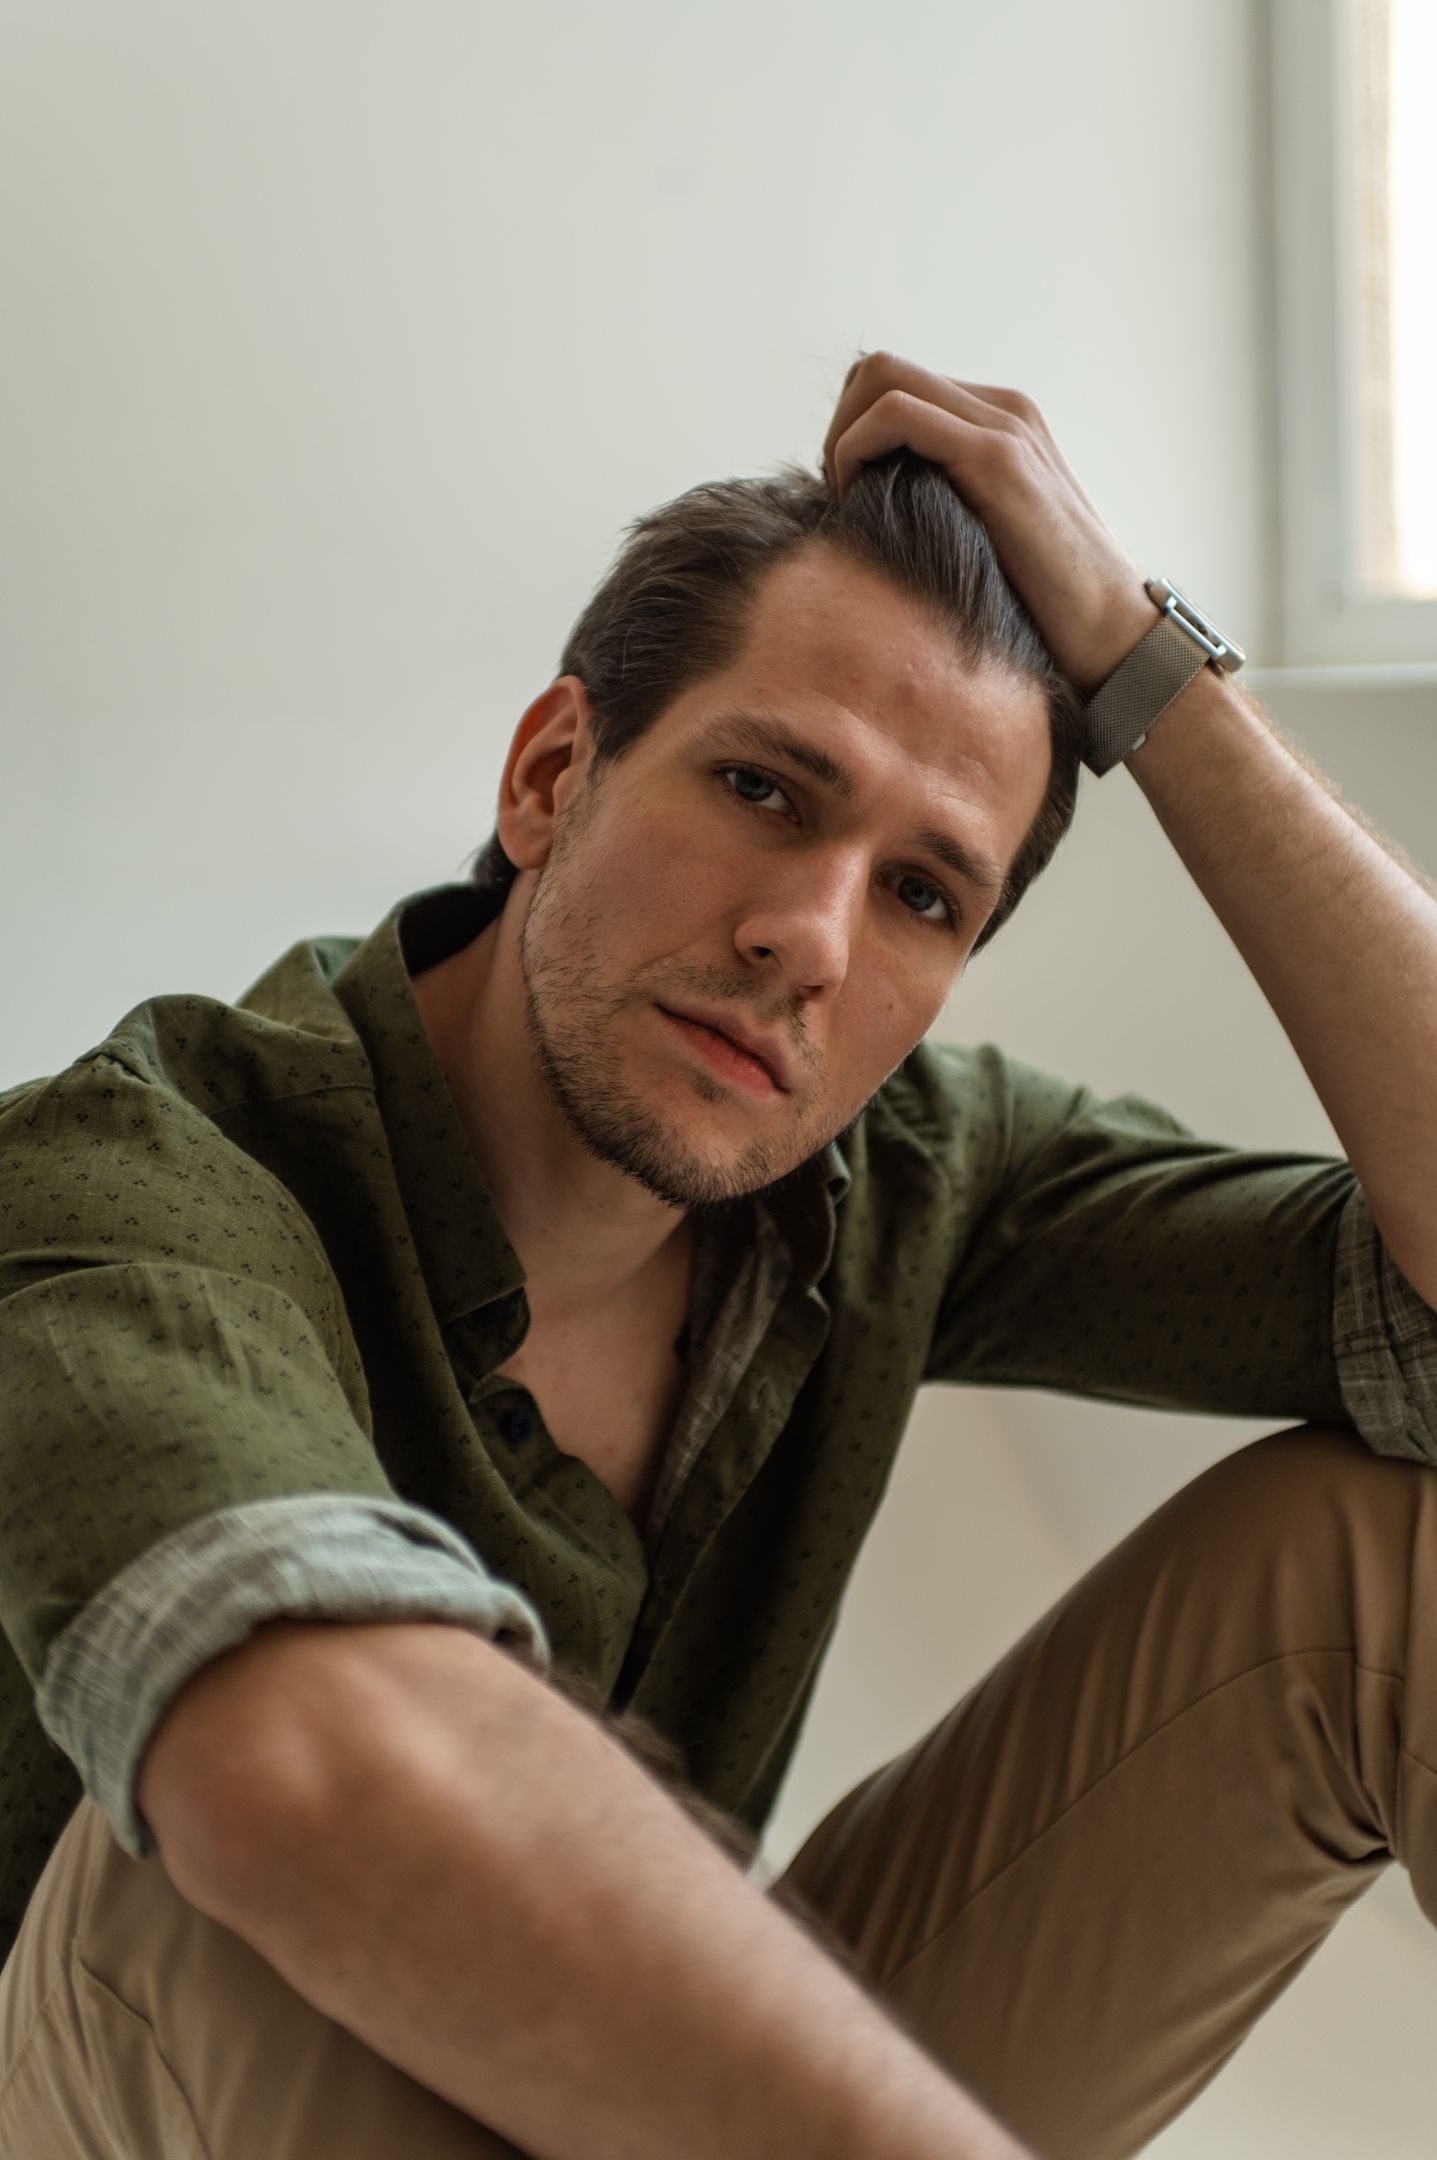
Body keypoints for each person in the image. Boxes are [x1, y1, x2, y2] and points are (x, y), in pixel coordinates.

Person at [2, 350, 1436, 2160]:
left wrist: (1155, 668)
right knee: (248, 1792)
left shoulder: (907, 1175)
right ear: (551, 775)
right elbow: (304, 1762)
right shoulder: (135, 1170)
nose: (810, 939)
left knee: (1387, 1562)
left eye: (922, 893)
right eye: (764, 789)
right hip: (126, 2092)